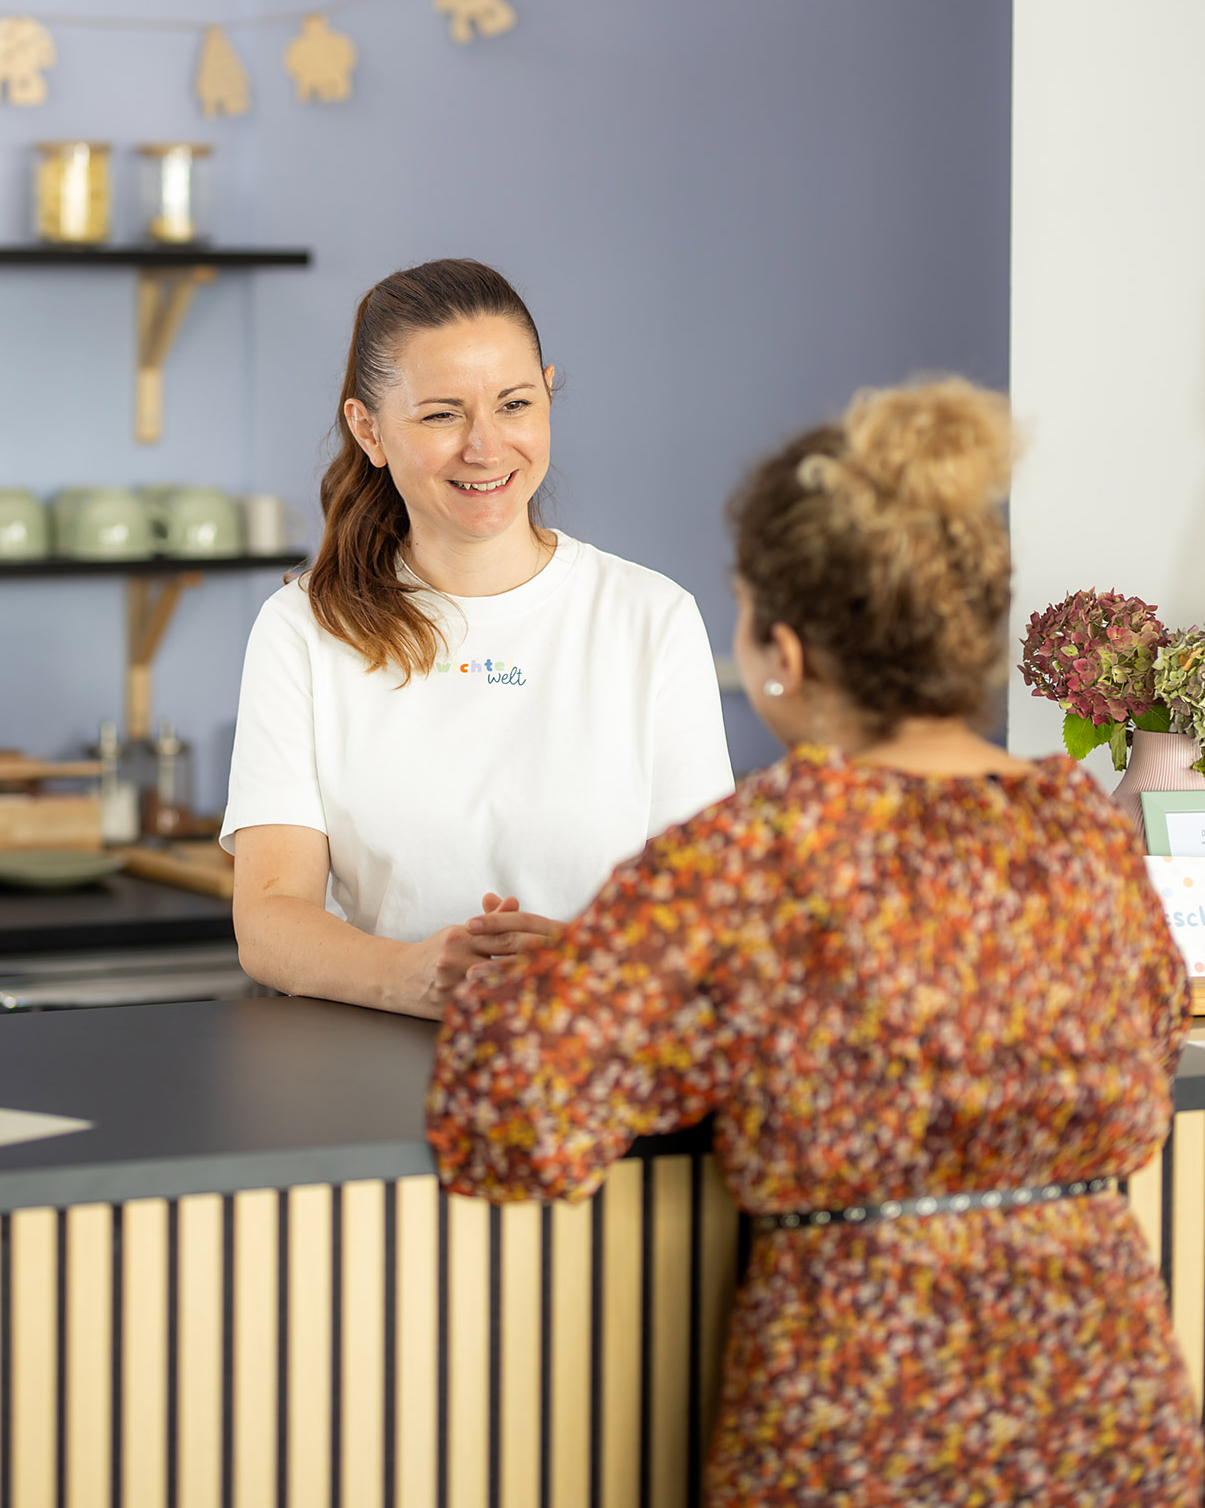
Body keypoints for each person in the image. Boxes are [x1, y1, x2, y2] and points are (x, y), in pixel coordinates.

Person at [428, 377, 1202, 1505]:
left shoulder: (750, 856)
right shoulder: (1086, 832)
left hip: (857, 1425)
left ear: (781, 649)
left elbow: (513, 1122)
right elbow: (1141, 1048)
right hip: (1109, 1418)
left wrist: (562, 971)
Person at [225, 258, 734, 1020]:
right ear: (370, 430)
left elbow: (710, 921)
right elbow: (267, 923)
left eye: (515, 404)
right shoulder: (304, 628)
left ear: (548, 396)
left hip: (598, 1079)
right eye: (441, 415)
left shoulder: (652, 618)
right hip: (365, 1080)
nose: (487, 447)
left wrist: (581, 966)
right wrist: (413, 975)